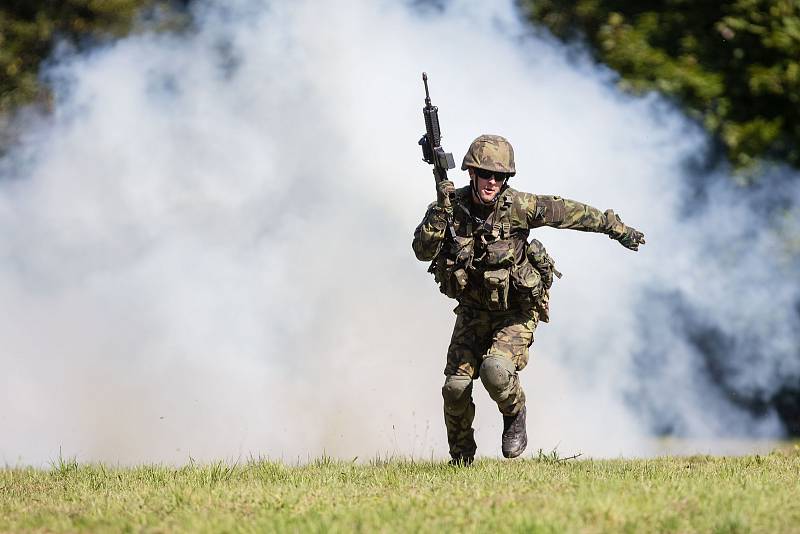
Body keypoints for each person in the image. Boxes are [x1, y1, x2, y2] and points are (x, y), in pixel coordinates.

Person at [412, 134, 645, 465]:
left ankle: (515, 413)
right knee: (455, 387)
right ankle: (461, 460)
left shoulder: (520, 207)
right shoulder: (451, 208)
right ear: (470, 173)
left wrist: (615, 228)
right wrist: (440, 212)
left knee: (495, 369)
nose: (492, 182)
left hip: (517, 312)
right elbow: (422, 251)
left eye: (499, 176)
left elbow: (570, 213)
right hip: (474, 311)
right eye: (485, 174)